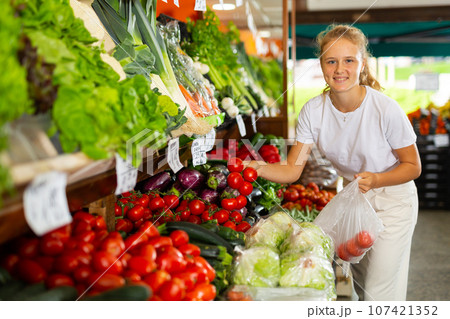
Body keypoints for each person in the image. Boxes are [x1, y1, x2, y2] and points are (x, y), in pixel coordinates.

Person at [248, 24, 421, 301]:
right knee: (360, 280)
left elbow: (413, 166)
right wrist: (256, 168)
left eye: (348, 60)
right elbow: (293, 170)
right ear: (322, 65)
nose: (340, 69)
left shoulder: (385, 109)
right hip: (356, 198)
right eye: (331, 61)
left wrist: (377, 179)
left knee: (379, 289)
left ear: (361, 64)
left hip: (394, 201)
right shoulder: (313, 111)